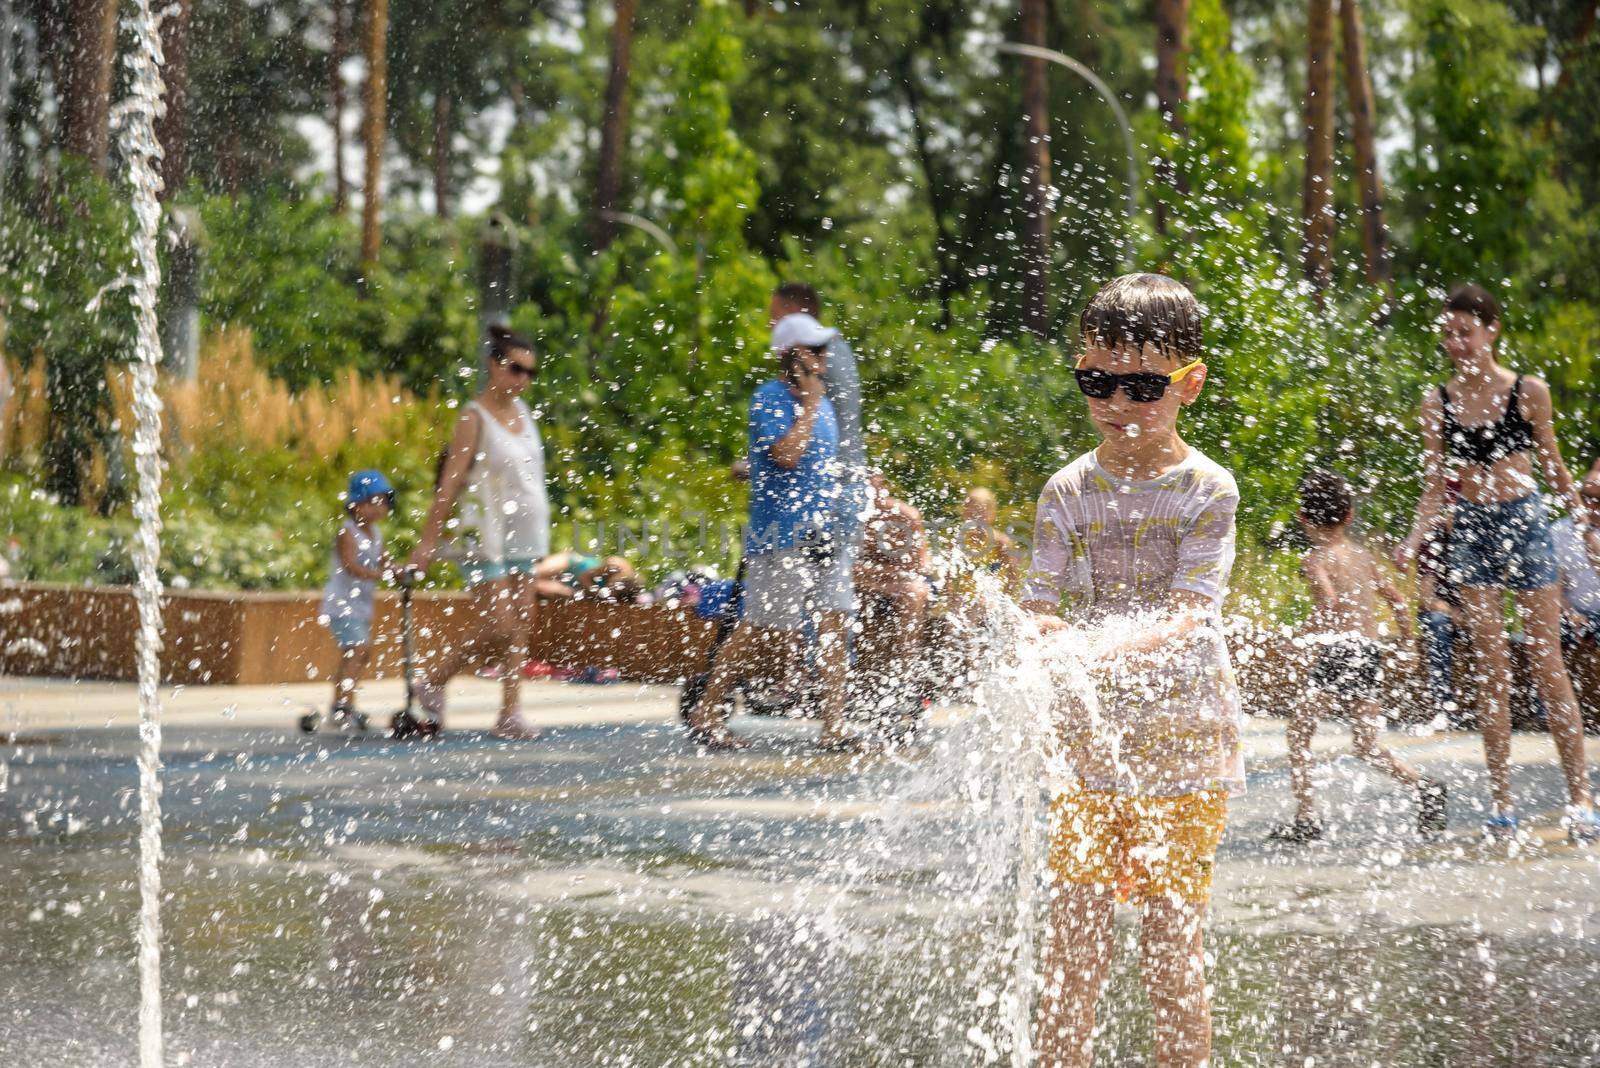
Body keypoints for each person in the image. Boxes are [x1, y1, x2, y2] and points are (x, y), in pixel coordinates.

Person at [1024, 274, 1242, 1068]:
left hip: (1184, 752)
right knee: (1070, 956)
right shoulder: (1067, 490)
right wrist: (1047, 642)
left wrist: (1087, 651)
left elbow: (1191, 616)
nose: (1116, 402)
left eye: (1142, 386)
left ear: (1189, 384)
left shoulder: (1207, 489)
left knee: (1169, 957)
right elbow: (1039, 604)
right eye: (1097, 381)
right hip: (1089, 747)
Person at [1396, 283, 1598, 842]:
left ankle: (1580, 798)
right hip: (1474, 529)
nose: (1456, 343)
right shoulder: (1436, 402)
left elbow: (1555, 468)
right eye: (1448, 334)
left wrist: (1583, 522)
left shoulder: (1528, 391)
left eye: (1465, 332)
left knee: (1547, 660)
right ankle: (1502, 804)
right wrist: (1415, 538)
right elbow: (1436, 484)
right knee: (1491, 670)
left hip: (1525, 522)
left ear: (1492, 331)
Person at [685, 315, 864, 751]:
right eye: (815, 352)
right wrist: (809, 405)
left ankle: (834, 724)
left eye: (824, 351)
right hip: (780, 539)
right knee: (759, 628)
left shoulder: (823, 405)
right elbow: (787, 455)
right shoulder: (770, 399)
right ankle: (706, 708)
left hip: (825, 537)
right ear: (791, 356)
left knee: (833, 623)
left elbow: (819, 470)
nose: (824, 359)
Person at [1270, 469, 1446, 844]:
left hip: (1340, 650)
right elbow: (1399, 602)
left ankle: (1306, 819)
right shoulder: (1364, 557)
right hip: (1367, 653)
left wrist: (1298, 638)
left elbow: (1329, 603)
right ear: (1349, 516)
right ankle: (1424, 786)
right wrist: (1410, 644)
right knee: (1365, 744)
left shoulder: (1315, 559)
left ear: (1303, 519)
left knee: (1299, 734)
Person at [408, 325, 551, 740]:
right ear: (494, 365)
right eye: (515, 369)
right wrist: (427, 543)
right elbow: (450, 483)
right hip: (483, 537)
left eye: (530, 373)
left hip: (525, 536)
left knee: (522, 623)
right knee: (500, 626)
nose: (522, 380)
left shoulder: (524, 414)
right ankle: (434, 679)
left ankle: (509, 711)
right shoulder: (473, 417)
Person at [317, 469, 396, 727]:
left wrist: (397, 571)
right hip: (342, 603)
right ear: (355, 505)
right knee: (357, 650)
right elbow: (350, 565)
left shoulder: (376, 534)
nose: (377, 509)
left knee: (359, 653)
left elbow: (385, 560)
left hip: (361, 606)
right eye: (371, 502)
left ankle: (342, 703)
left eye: (382, 503)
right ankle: (343, 706)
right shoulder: (347, 532)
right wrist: (377, 574)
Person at [853, 470, 933, 723]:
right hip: (868, 583)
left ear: (883, 486)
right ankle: (867, 683)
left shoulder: (905, 515)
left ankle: (905, 676)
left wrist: (882, 572)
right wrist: (878, 573)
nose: (870, 490)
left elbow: (920, 565)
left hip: (901, 583)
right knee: (861, 598)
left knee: (914, 593)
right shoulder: (852, 516)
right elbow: (847, 566)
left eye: (875, 484)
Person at [1416, 478, 1465, 725]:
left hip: (1473, 611)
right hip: (1441, 613)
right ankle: (1441, 704)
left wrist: (1470, 613)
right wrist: (1452, 611)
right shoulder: (1432, 539)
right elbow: (1426, 597)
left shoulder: (1477, 538)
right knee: (1437, 623)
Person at [1553, 460, 1600, 650]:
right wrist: (1571, 614)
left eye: (1598, 500)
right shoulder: (1560, 530)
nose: (1590, 505)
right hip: (1575, 613)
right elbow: (1555, 585)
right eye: (1586, 497)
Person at [531, 551, 644, 604]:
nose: (612, 591)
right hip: (572, 565)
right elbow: (584, 577)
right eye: (613, 588)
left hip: (573, 589)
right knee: (531, 572)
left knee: (532, 587)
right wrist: (596, 594)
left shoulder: (625, 595)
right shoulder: (618, 567)